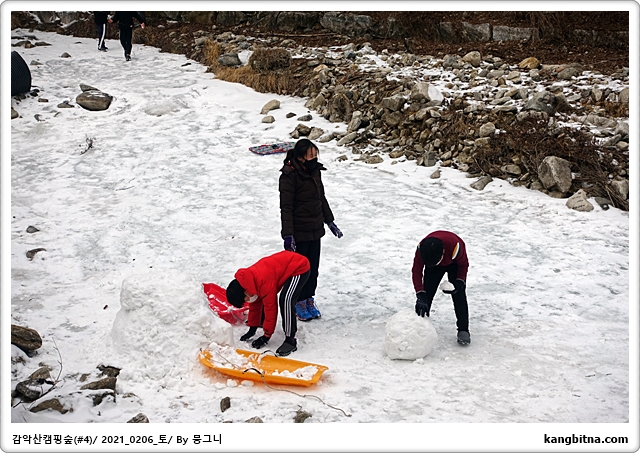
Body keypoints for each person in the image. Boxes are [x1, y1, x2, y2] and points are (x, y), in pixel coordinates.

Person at [279, 139, 342, 322]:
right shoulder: (289, 176)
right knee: (300, 270)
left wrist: (330, 221)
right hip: (299, 231)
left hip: (315, 229)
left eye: (316, 154)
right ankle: (298, 301)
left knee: (313, 269)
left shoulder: (315, 171)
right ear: (300, 157)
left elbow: (321, 198)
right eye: (310, 155)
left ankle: (308, 299)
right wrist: (288, 235)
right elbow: (286, 208)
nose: (314, 158)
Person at [226, 251, 311, 356]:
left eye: (245, 299)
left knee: (286, 300)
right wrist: (252, 328)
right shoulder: (249, 282)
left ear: (245, 292)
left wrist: (266, 336)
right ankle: (262, 324)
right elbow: (255, 303)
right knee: (276, 300)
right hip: (283, 266)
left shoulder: (264, 282)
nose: (247, 301)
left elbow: (271, 309)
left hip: (299, 267)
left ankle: (290, 340)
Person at [412, 230, 471, 345]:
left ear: (442, 254)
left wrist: (459, 282)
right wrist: (420, 292)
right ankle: (420, 326)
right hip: (433, 264)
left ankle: (463, 329)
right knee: (426, 294)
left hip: (454, 264)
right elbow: (416, 271)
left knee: (459, 295)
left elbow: (463, 265)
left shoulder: (456, 247)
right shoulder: (422, 249)